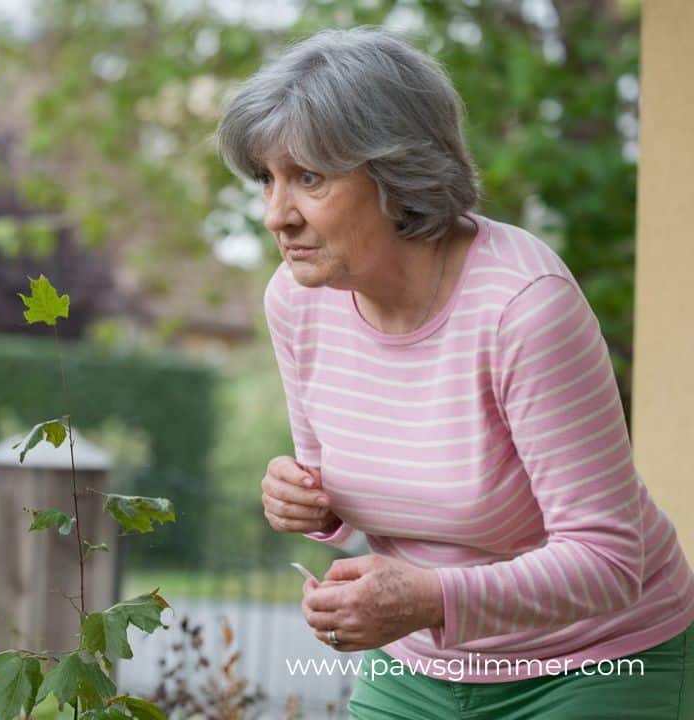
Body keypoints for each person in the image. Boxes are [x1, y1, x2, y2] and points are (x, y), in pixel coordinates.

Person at [217, 27, 694, 719]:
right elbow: (340, 486)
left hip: (596, 661)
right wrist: (310, 503)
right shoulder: (297, 300)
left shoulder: (522, 308)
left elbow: (609, 561)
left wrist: (431, 598)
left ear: (396, 174)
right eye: (267, 179)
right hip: (420, 662)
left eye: (309, 179)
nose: (274, 216)